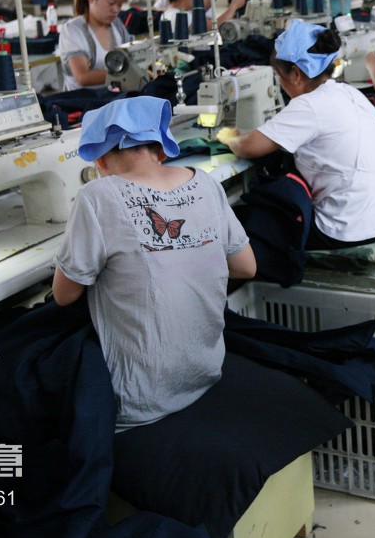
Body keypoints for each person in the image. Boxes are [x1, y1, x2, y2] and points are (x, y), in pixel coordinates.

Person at [52, 97, 256, 429]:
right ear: (161, 150)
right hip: (207, 370)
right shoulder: (205, 182)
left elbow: (64, 295)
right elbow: (247, 267)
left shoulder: (97, 196)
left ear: (99, 160)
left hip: (144, 398)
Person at [217, 20, 375, 250]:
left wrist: (227, 137)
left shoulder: (309, 105)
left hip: (347, 229)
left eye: (279, 78)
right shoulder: (349, 92)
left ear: (295, 74)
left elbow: (248, 146)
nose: (281, 85)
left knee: (248, 220)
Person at [57, 0, 132, 91]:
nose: (115, 10)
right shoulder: (72, 30)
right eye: (111, 3)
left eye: (119, 5)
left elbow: (133, 56)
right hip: (83, 103)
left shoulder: (116, 24)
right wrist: (126, 73)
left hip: (112, 98)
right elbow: (83, 77)